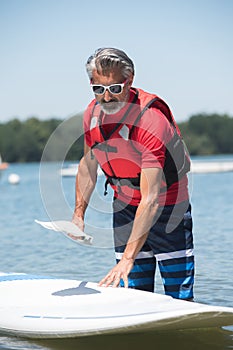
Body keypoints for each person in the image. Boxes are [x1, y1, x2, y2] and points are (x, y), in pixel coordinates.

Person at [72, 47, 194, 300]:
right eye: (99, 89)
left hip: (167, 207)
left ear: (130, 80)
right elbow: (88, 165)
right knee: (133, 294)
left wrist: (128, 257)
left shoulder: (150, 120)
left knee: (178, 295)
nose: (107, 98)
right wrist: (78, 214)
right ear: (91, 83)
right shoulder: (92, 115)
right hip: (125, 205)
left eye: (115, 88)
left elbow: (151, 200)